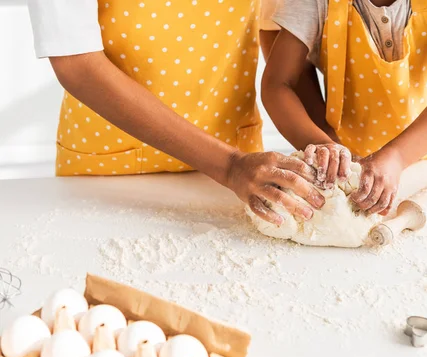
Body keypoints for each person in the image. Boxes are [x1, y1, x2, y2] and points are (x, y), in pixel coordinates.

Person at [26, 0, 325, 226]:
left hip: (236, 181)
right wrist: (229, 165)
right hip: (106, 178)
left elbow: (278, 29)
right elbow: (75, 63)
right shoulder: (234, 167)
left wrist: (327, 146)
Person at [262, 0, 427, 216]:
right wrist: (323, 144)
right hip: (345, 165)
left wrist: (398, 157)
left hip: (423, 163)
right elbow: (278, 84)